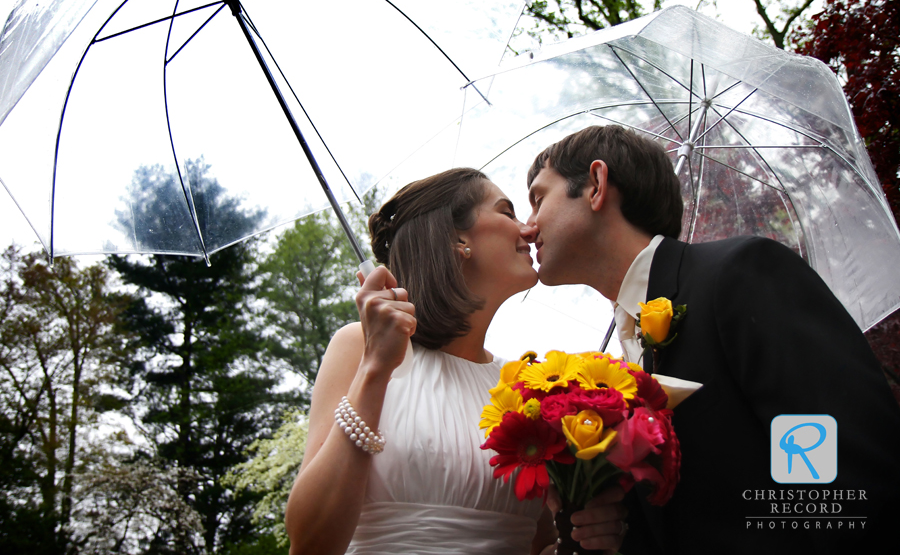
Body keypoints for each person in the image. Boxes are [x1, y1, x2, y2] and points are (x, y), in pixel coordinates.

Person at [522, 124, 900, 554]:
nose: (528, 227)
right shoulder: (617, 362)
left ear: (595, 184)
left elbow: (844, 477)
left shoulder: (741, 274)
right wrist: (621, 530)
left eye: (538, 199)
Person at [284, 168, 627, 555]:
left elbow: (541, 545)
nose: (529, 229)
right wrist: (375, 368)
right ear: (456, 238)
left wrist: (588, 536)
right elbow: (308, 543)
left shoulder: (524, 386)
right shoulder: (358, 347)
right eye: (507, 212)